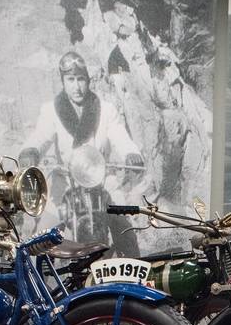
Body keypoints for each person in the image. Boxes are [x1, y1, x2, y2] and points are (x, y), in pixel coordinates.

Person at [19, 50, 145, 252]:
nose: (76, 86)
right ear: (63, 81)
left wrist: (131, 153)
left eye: (81, 79)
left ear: (88, 80)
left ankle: (134, 275)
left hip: (102, 182)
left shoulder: (106, 109)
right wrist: (31, 150)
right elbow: (41, 135)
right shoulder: (51, 110)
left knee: (125, 231)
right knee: (40, 238)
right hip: (66, 183)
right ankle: (41, 281)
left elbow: (120, 135)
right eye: (70, 79)